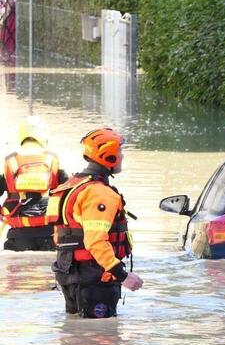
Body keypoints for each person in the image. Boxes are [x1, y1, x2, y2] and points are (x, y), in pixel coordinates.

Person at [50, 128, 143, 318]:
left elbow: (59, 236)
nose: (122, 156)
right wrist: (123, 276)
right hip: (94, 279)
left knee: (76, 337)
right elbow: (95, 241)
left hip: (68, 273)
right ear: (108, 155)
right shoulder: (99, 192)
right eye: (119, 152)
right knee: (102, 343)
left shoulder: (67, 187)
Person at [0, 116, 69, 250]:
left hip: (17, 237)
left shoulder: (9, 162)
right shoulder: (53, 160)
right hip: (49, 235)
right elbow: (72, 194)